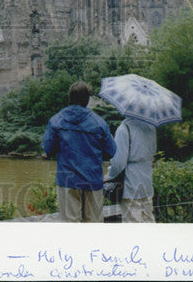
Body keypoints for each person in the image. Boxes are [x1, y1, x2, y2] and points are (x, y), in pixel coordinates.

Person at [42, 80, 116, 222]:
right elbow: (111, 151)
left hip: (67, 180)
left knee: (71, 227)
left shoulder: (56, 121)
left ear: (69, 98)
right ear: (87, 100)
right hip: (93, 179)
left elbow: (48, 149)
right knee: (94, 225)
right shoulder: (99, 123)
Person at [105, 116, 157, 223]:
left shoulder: (124, 128)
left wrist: (109, 176)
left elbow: (118, 162)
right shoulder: (150, 127)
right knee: (148, 220)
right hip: (146, 181)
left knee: (133, 223)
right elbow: (153, 151)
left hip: (131, 182)